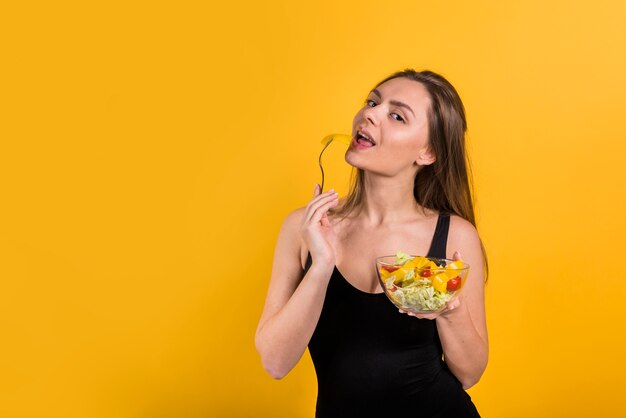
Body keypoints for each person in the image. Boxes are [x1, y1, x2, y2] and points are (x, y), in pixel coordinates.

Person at [255, 68, 488, 417]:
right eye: (372, 102)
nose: (370, 114)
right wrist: (321, 265)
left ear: (427, 153)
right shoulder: (304, 229)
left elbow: (469, 374)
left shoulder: (454, 235)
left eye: (396, 115)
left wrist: (449, 310)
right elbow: (275, 362)